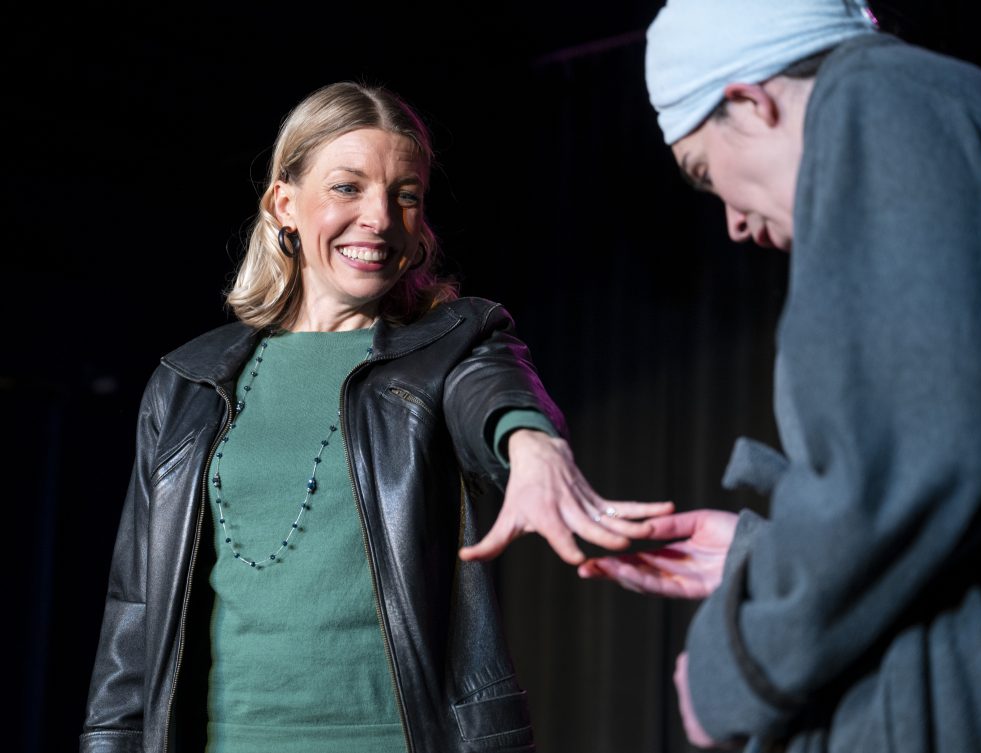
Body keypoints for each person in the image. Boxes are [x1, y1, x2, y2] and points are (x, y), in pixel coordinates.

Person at [79, 81, 674, 753]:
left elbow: (496, 394)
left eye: (405, 195)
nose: (380, 218)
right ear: (284, 203)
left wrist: (532, 444)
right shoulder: (188, 380)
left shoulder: (451, 343)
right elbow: (135, 605)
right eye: (347, 188)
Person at [578, 0, 981, 750]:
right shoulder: (948, 105)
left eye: (704, 172)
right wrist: (764, 554)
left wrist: (735, 663)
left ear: (751, 103)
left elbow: (917, 462)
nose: (732, 222)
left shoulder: (878, 103)